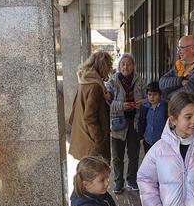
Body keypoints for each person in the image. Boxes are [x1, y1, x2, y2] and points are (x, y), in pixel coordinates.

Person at [105, 53, 146, 194]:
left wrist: (139, 103)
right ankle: (118, 182)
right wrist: (123, 105)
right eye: (123, 64)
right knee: (117, 156)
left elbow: (148, 99)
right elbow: (107, 103)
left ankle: (131, 180)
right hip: (117, 124)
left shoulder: (140, 81)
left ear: (133, 66)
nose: (125, 67)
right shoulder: (112, 82)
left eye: (129, 64)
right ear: (119, 66)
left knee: (134, 155)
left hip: (134, 123)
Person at [68, 50, 114, 161]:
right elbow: (89, 117)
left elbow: (75, 109)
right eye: (108, 66)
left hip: (83, 137)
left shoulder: (85, 81)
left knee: (88, 174)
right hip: (92, 143)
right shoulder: (95, 86)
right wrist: (98, 138)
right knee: (95, 175)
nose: (109, 70)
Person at [159, 35, 194, 124]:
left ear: (192, 48)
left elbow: (190, 92)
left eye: (181, 48)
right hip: (178, 121)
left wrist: (167, 96)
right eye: (178, 48)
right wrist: (180, 81)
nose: (178, 51)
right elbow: (162, 82)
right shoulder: (179, 65)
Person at [137, 81, 167, 155]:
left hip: (162, 142)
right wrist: (141, 138)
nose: (152, 97)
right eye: (149, 95)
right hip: (148, 141)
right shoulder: (144, 108)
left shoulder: (165, 108)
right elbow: (141, 122)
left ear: (160, 95)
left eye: (155, 94)